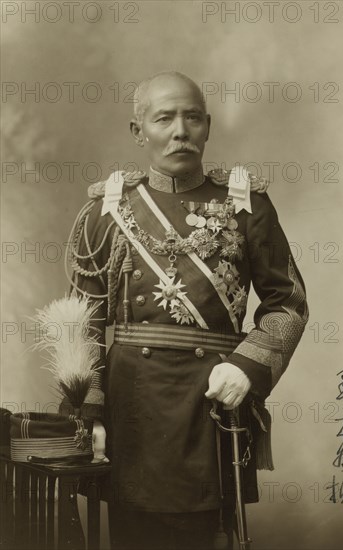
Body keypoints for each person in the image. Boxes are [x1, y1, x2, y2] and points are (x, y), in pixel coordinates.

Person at [66, 71, 308, 550]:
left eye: (193, 118)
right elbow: (81, 322)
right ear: (139, 132)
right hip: (131, 409)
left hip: (212, 403)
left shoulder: (247, 205)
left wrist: (246, 367)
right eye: (165, 118)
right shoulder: (107, 210)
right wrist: (87, 411)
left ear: (208, 126)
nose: (181, 130)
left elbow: (288, 303)